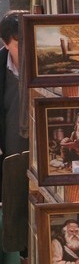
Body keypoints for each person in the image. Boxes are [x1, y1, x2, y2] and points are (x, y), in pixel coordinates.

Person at [0, 10, 29, 197]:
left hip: (42, 144)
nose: (26, 48)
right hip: (9, 148)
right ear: (6, 43)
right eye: (19, 43)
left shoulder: (46, 63)